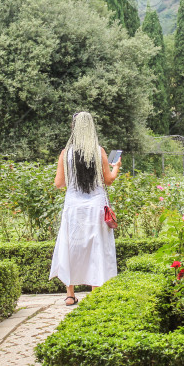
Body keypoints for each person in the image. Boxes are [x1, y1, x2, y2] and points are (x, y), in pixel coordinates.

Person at [50, 112, 121, 306]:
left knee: (71, 246)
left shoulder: (66, 154)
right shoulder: (99, 152)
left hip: (73, 207)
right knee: (95, 247)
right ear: (91, 128)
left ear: (73, 128)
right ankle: (95, 292)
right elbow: (108, 180)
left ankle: (70, 295)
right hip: (95, 207)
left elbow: (59, 183)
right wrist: (116, 168)